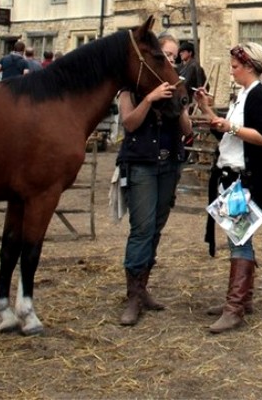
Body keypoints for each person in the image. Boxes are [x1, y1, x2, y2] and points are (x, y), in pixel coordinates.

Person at [194, 42, 262, 334]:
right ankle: (241, 300)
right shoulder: (242, 95)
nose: (231, 70)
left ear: (248, 67)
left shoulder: (259, 95)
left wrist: (229, 127)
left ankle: (235, 309)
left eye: (235, 66)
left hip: (246, 181)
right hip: (232, 178)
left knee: (239, 241)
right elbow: (226, 132)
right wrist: (207, 109)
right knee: (239, 237)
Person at [116, 33, 192, 326]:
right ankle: (132, 296)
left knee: (157, 227)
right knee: (142, 228)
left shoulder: (175, 87)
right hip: (142, 163)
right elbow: (130, 123)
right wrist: (149, 98)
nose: (171, 60)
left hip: (169, 162)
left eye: (174, 56)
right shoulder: (130, 87)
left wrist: (182, 105)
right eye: (167, 54)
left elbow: (186, 130)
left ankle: (143, 287)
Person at [177, 42, 207, 107]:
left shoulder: (194, 66)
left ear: (190, 53)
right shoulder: (179, 67)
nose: (180, 53)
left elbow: (202, 85)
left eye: (183, 51)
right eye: (180, 52)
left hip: (189, 100)